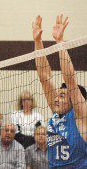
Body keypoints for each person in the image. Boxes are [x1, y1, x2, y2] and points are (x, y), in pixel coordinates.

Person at [33, 14, 87, 168]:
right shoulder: (57, 114)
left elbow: (70, 79)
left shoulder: (81, 116)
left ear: (75, 100)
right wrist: (38, 42)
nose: (56, 98)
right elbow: (44, 77)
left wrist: (60, 43)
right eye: (58, 95)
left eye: (62, 95)